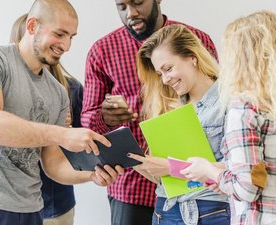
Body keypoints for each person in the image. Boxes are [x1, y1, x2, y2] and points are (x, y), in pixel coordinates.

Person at [0, 1, 123, 225]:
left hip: (32, 210)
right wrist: (62, 135)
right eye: (60, 34)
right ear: (32, 26)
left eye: (72, 36)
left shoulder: (58, 93)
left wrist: (92, 174)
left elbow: (53, 165)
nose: (66, 45)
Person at [180, 11, 276, 225]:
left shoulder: (245, 107)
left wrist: (208, 169)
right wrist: (226, 173)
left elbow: (246, 189)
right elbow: (266, 172)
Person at [81, 0, 218, 224]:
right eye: (121, 6)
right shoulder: (102, 50)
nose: (131, 13)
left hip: (198, 189)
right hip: (131, 188)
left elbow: (216, 102)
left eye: (138, 3)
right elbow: (87, 122)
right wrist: (105, 118)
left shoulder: (195, 39)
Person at [127, 24, 230, 225]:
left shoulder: (228, 101)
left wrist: (170, 167)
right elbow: (165, 180)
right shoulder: (168, 106)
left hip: (211, 212)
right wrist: (140, 164)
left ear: (192, 57)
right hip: (165, 211)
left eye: (168, 69)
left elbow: (241, 170)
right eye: (160, 74)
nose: (165, 80)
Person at [10, 13, 83, 225]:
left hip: (55, 205)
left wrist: (66, 133)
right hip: (10, 205)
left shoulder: (71, 90)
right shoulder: (1, 87)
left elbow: (83, 152)